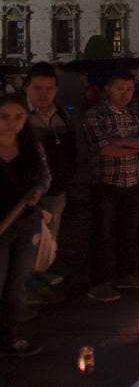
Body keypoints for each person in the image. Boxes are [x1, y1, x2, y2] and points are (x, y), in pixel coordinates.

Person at [83, 73, 139, 302]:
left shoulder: (134, 113)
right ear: (108, 89)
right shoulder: (96, 114)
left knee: (128, 231)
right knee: (103, 234)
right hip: (106, 181)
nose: (125, 94)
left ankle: (126, 273)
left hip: (132, 179)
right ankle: (99, 282)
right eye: (120, 89)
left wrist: (122, 143)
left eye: (129, 89)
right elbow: (105, 149)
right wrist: (136, 145)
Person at [0, 94, 50, 356]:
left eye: (18, 117)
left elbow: (44, 176)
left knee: (17, 282)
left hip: (25, 222)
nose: (12, 123)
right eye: (4, 117)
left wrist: (38, 192)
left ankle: (9, 337)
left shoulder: (30, 145)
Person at [23, 64, 76, 302]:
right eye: (37, 88)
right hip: (27, 193)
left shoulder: (60, 114)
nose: (43, 93)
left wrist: (68, 175)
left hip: (57, 188)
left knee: (49, 238)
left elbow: (71, 149)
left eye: (49, 88)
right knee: (27, 241)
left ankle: (39, 278)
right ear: (27, 88)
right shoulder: (19, 115)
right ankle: (24, 289)